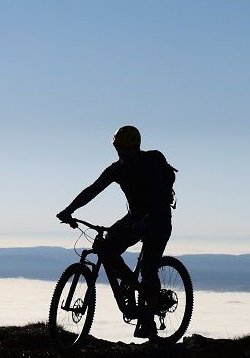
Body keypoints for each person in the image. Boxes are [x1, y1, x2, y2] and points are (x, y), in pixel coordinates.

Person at [56, 125, 176, 338]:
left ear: (135, 147)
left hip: (159, 219)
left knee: (148, 269)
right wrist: (69, 210)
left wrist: (147, 221)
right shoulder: (116, 169)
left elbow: (157, 198)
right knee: (107, 247)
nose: (121, 152)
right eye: (118, 148)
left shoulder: (148, 164)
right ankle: (129, 285)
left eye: (125, 148)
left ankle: (149, 319)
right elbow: (92, 190)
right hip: (135, 217)